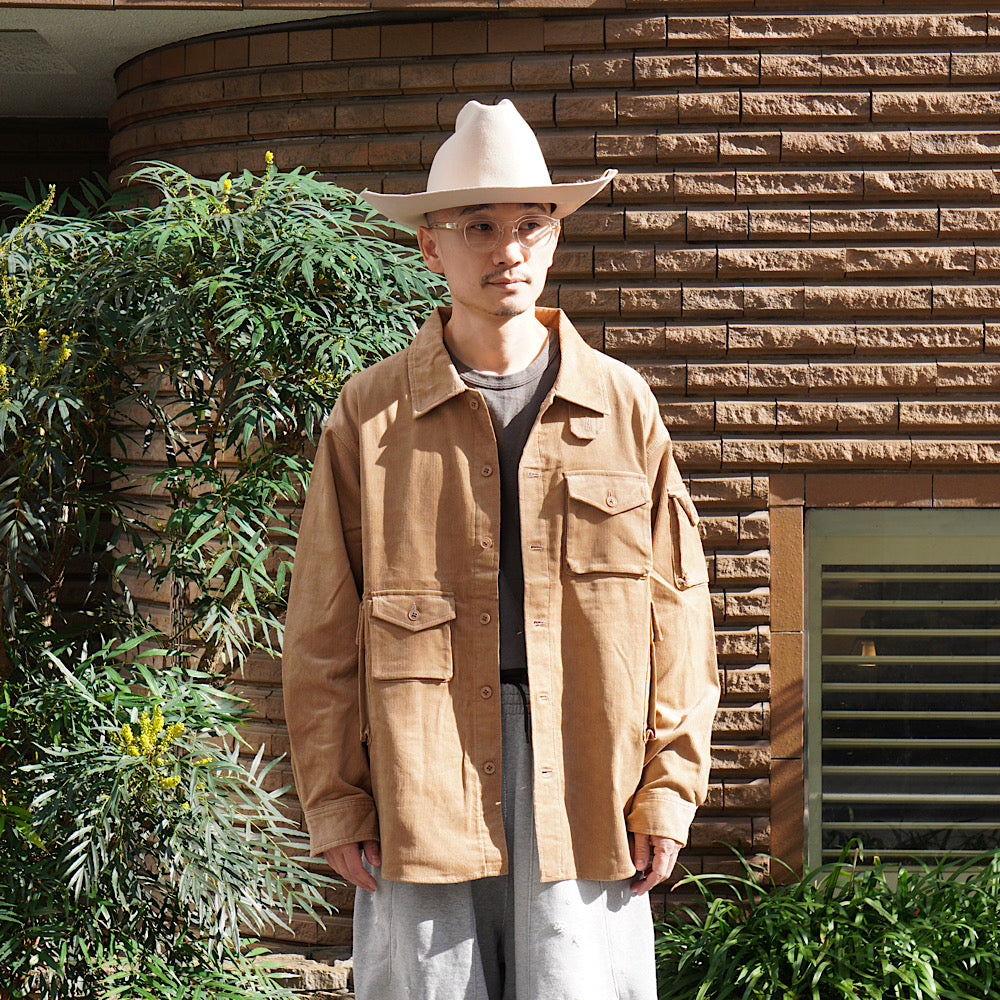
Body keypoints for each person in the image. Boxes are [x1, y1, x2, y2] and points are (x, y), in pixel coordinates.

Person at [282, 99, 719, 1000]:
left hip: (589, 772)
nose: (507, 248)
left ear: (554, 242)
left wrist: (669, 789)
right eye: (478, 225)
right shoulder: (370, 414)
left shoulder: (622, 406)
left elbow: (679, 614)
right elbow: (321, 623)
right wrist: (336, 799)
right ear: (430, 246)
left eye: (530, 224)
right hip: (420, 771)